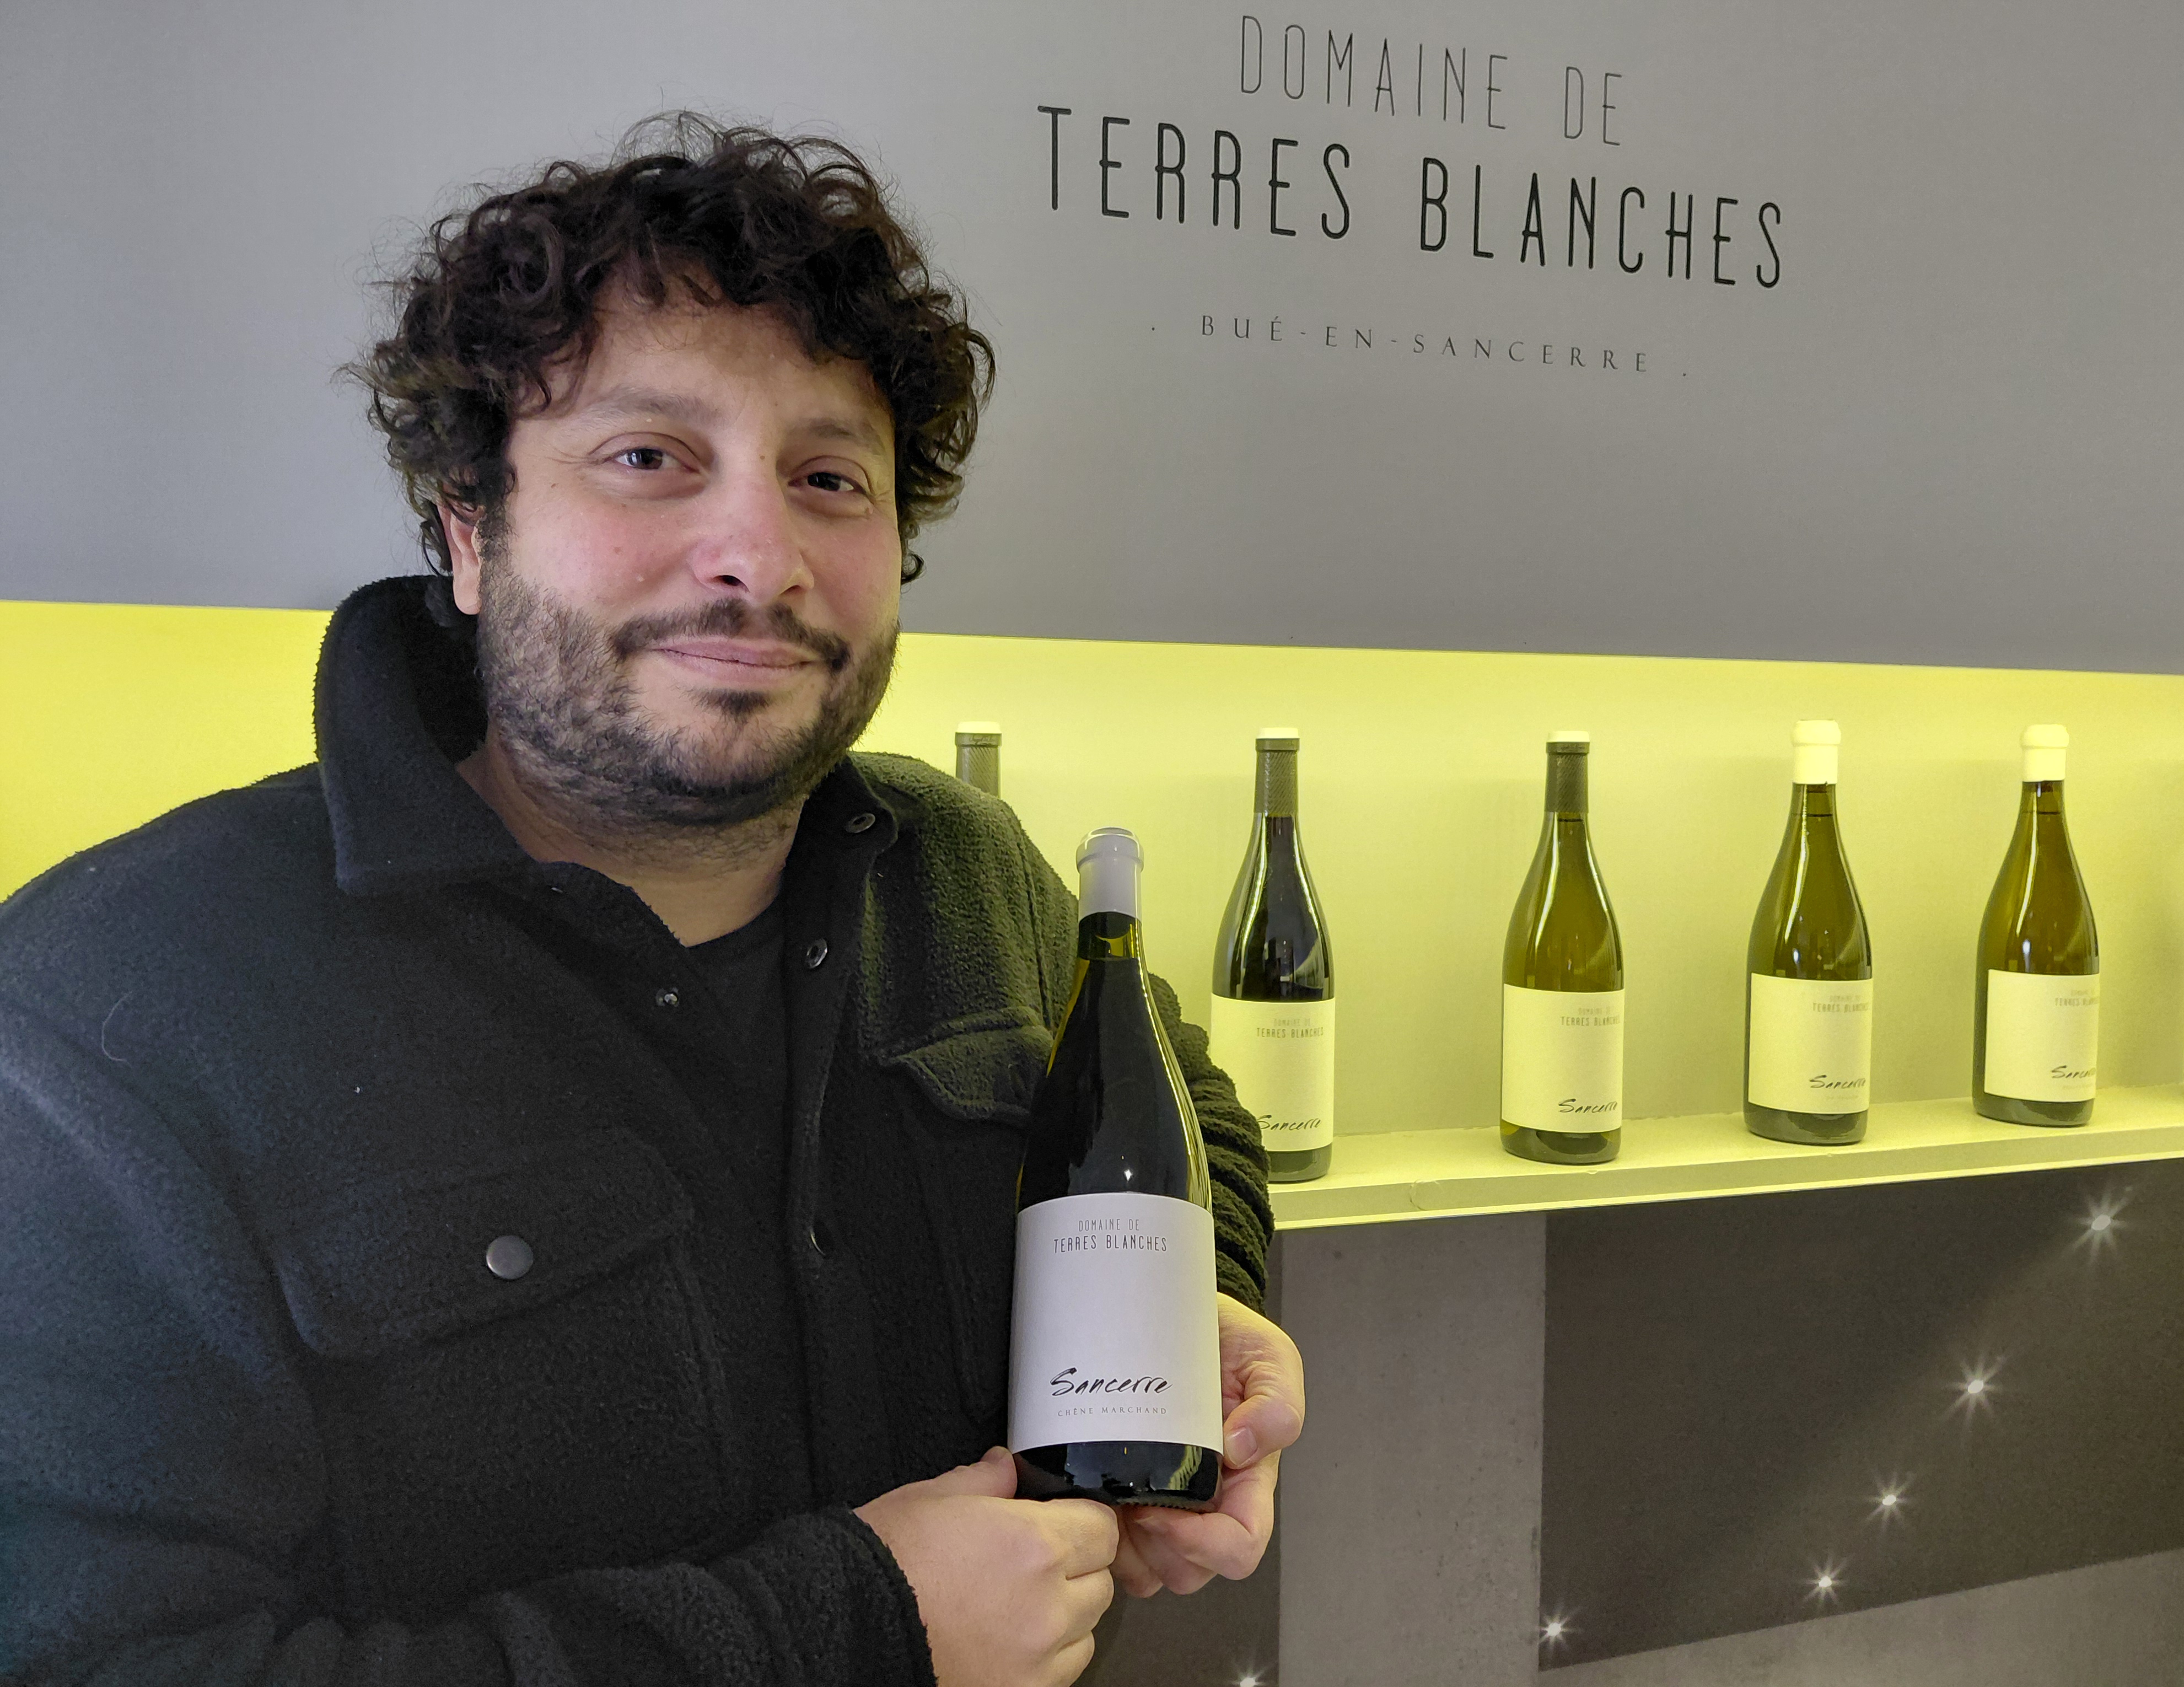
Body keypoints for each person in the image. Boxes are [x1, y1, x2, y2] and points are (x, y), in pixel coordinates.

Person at [0, 114, 1304, 1687]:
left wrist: (1203, 1316)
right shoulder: (111, 1015)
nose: (757, 552)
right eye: (649, 459)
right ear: (469, 530)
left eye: (830, 475)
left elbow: (1193, 1114)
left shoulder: (971, 872)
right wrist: (850, 1634)